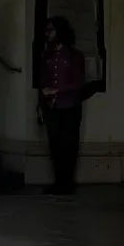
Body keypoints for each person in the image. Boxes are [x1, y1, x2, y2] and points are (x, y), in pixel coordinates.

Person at [39, 16, 86, 195]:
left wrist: (57, 90)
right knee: (55, 146)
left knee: (69, 146)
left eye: (51, 30)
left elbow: (78, 82)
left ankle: (67, 183)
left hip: (70, 106)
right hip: (52, 107)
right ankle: (59, 182)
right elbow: (44, 80)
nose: (48, 34)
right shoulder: (47, 55)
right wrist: (43, 99)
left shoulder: (75, 56)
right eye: (47, 30)